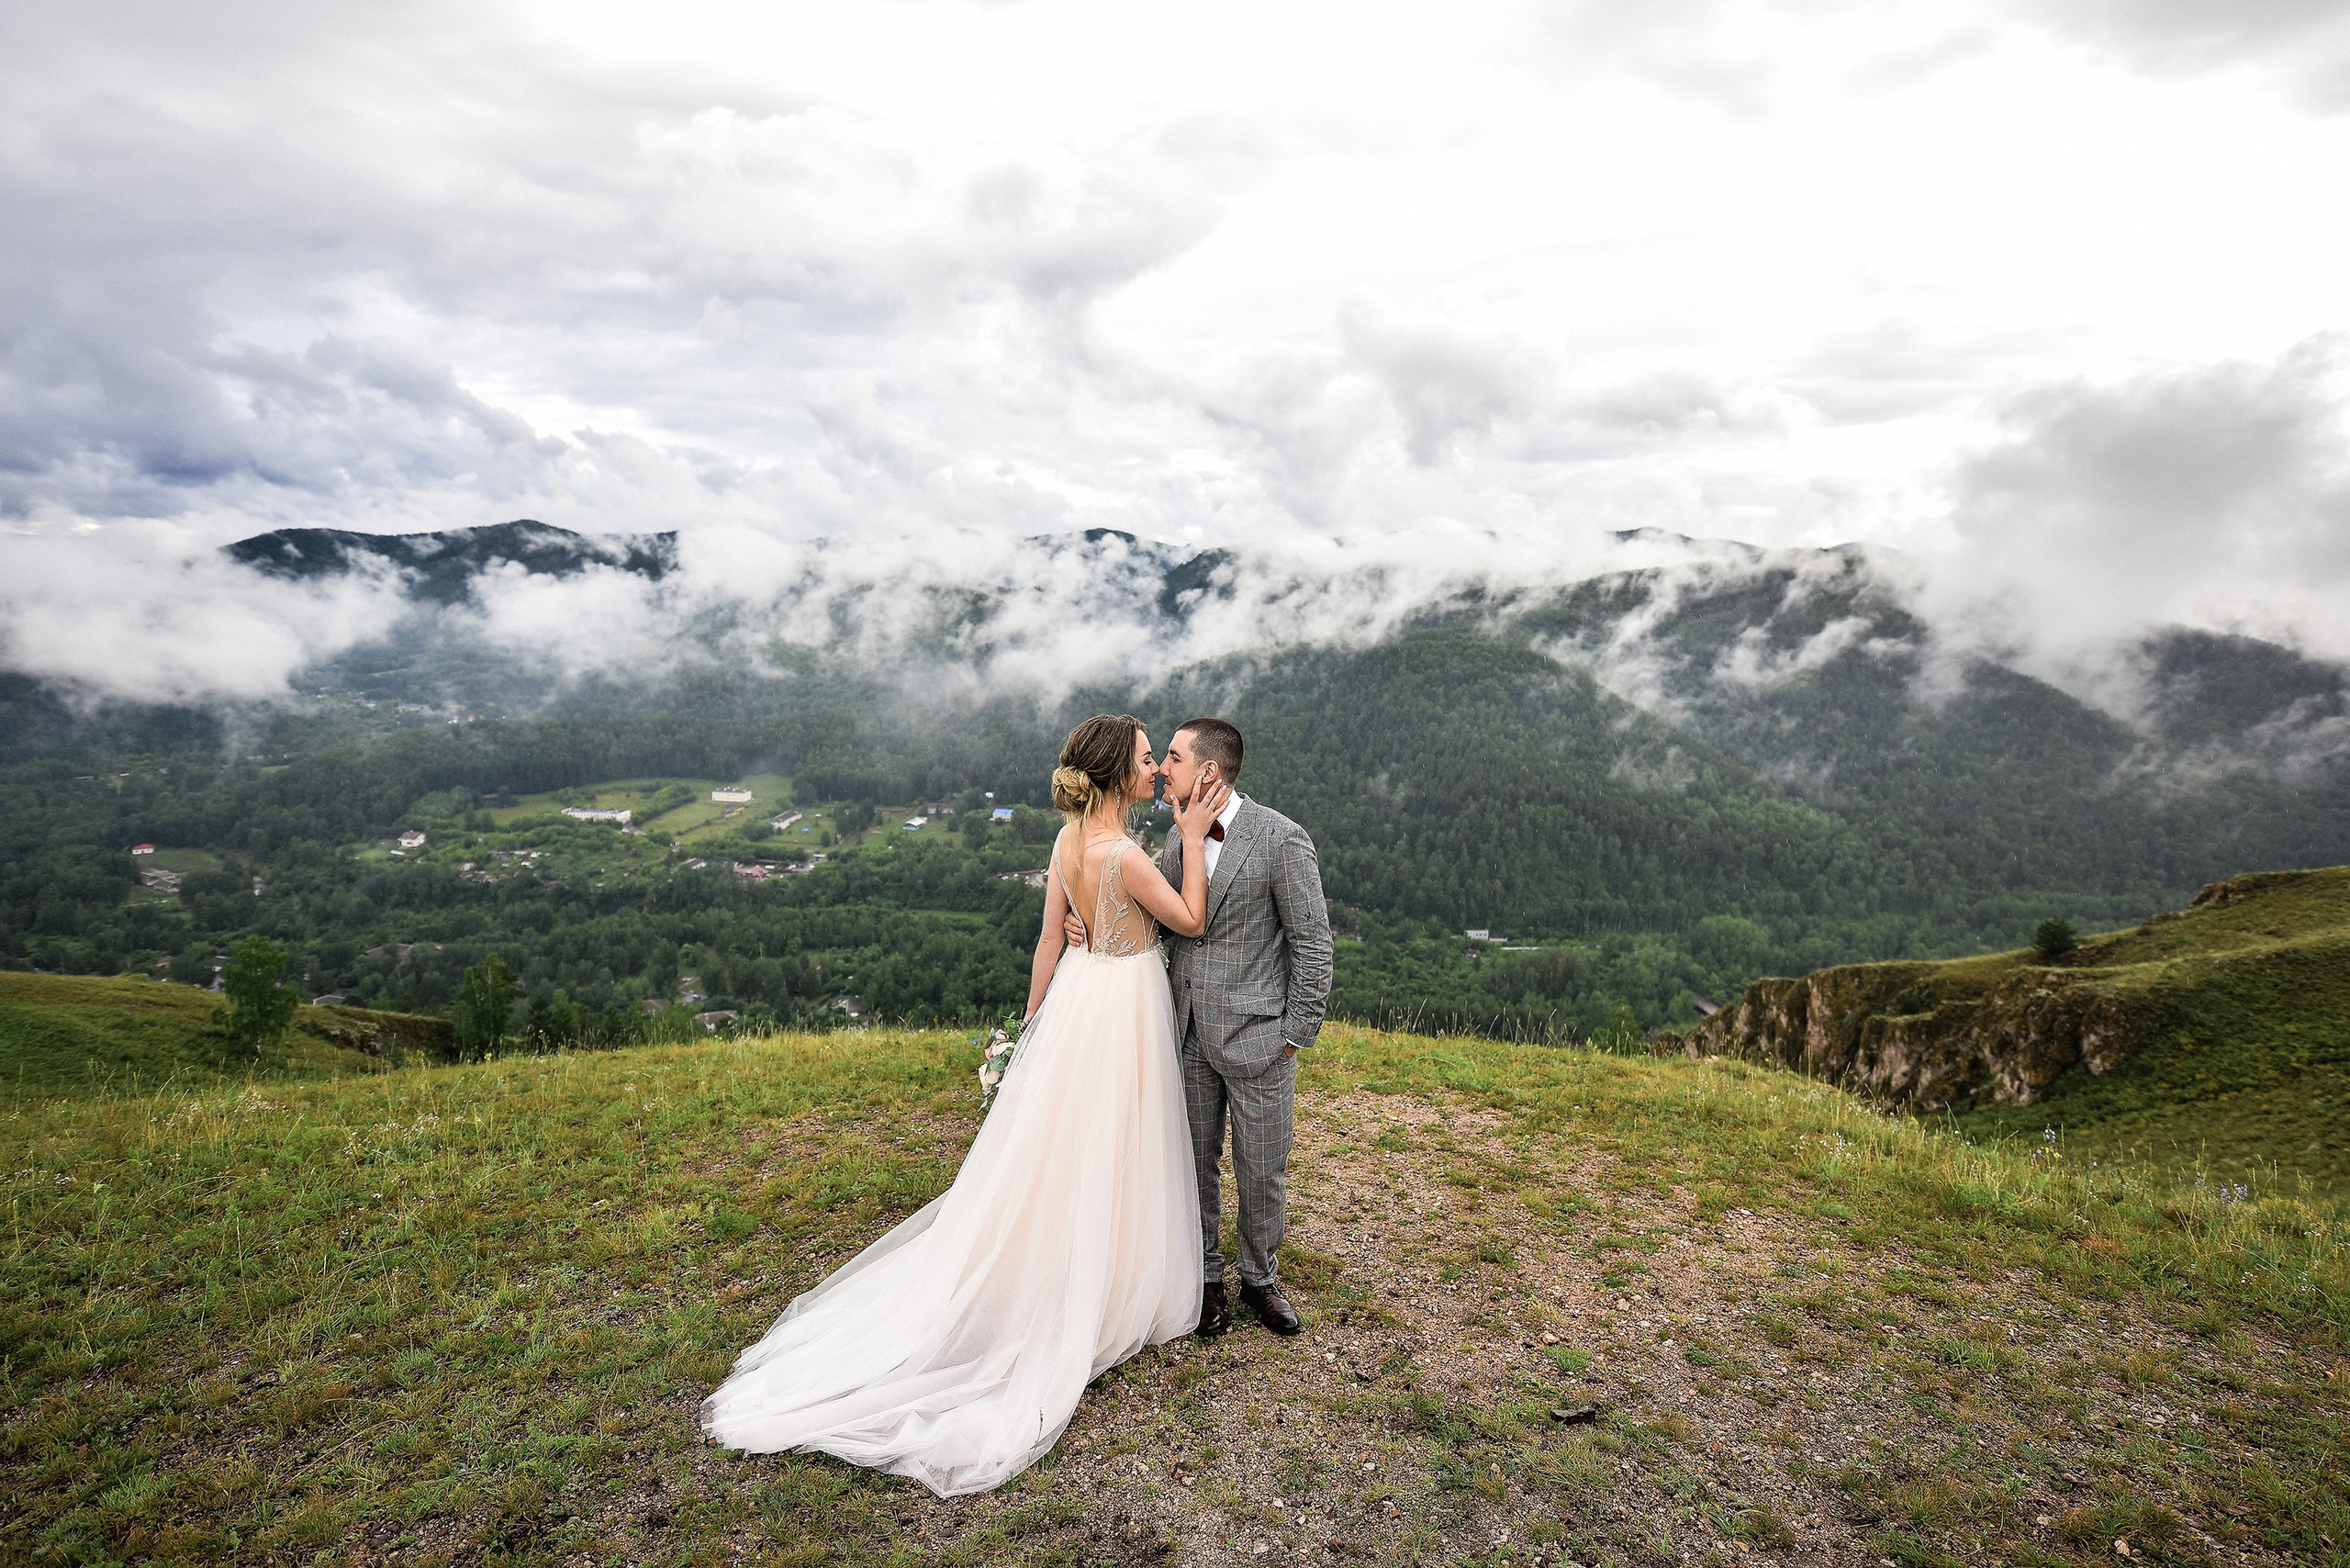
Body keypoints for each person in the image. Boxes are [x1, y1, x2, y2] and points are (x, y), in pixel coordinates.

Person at [700, 714, 1230, 1497]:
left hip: (1080, 1002)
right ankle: (1104, 1280)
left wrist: (1033, 1032)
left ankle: (1075, 1261)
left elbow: (1048, 943)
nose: (1158, 771)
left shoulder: (1066, 843)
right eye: (1150, 760)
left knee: (1065, 1146)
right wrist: (1190, 840)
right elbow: (1191, 919)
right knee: (1118, 1141)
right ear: (1121, 774)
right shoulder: (1121, 853)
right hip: (1123, 1007)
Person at [1064, 717, 1334, 1338]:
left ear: (1208, 772)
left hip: (1262, 1037)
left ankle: (1260, 1279)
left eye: (1175, 759)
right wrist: (1087, 928)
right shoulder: (1171, 839)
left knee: (1262, 1165)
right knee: (1191, 1162)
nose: (1161, 769)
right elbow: (1154, 918)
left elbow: (1313, 942)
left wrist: (1297, 1030)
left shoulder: (1281, 840)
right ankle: (1205, 1279)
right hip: (1183, 1032)